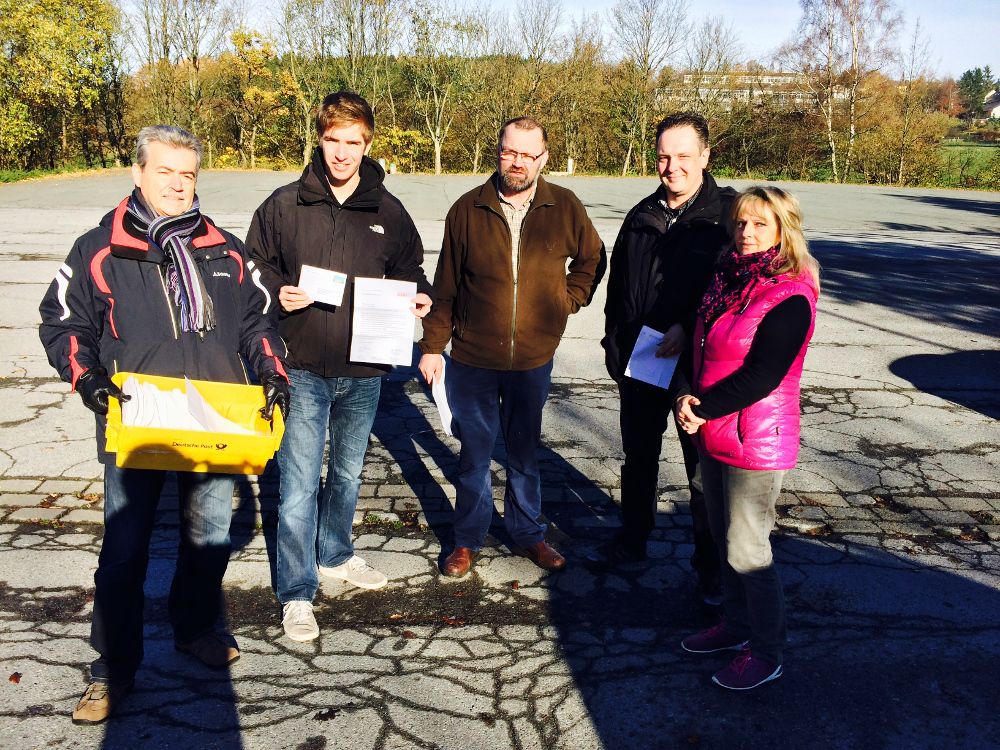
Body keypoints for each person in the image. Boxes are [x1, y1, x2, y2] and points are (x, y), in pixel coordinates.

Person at [38, 125, 290, 724]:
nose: (178, 186)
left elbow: (257, 321)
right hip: (137, 420)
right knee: (124, 554)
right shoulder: (100, 248)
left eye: (188, 175)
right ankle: (113, 668)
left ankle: (194, 626)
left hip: (215, 421)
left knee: (209, 539)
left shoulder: (226, 249)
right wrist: (88, 380)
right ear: (138, 173)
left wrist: (271, 371)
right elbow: (64, 324)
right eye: (165, 172)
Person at [246, 91, 433, 643]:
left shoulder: (387, 211)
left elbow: (410, 268)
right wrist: (278, 291)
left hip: (364, 369)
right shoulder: (285, 205)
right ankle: (297, 592)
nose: (343, 153)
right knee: (299, 484)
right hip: (301, 365)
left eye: (353, 142)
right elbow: (253, 265)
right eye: (333, 140)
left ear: (367, 144)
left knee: (348, 475)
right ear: (320, 139)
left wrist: (420, 296)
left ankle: (335, 555)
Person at [417, 116, 606, 578]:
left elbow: (592, 258)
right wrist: (431, 346)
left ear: (543, 158)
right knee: (474, 456)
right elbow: (446, 286)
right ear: (498, 152)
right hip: (473, 359)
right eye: (509, 152)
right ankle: (467, 540)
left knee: (523, 454)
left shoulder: (563, 206)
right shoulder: (467, 209)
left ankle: (528, 533)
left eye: (527, 154)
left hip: (532, 360)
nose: (517, 162)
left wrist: (568, 300)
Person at [675, 186, 819, 690]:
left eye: (760, 224)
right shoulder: (728, 280)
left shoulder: (791, 294)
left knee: (748, 551)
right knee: (723, 540)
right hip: (714, 430)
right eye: (740, 222)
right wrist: (686, 394)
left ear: (783, 230)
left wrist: (700, 408)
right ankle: (735, 627)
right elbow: (699, 347)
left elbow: (764, 375)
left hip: (755, 438)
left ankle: (767, 651)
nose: (747, 232)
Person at [598, 112, 736, 603]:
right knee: (639, 458)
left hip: (698, 367)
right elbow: (619, 288)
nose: (671, 166)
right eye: (663, 156)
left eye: (682, 156)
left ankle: (710, 566)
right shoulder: (642, 215)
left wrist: (689, 322)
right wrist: (614, 345)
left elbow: (740, 292)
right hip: (642, 359)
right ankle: (633, 538)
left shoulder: (729, 217)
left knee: (702, 471)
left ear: (705, 156)